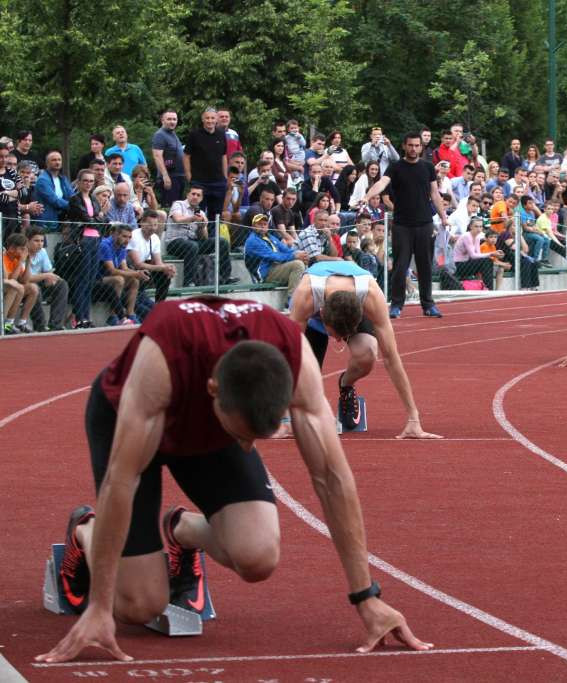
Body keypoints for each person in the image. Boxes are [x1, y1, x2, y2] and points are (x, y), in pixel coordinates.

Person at [36, 298, 431, 664]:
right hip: (134, 418)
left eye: (254, 438)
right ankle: (85, 531)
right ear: (213, 391)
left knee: (258, 557)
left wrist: (366, 597)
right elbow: (120, 484)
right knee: (138, 606)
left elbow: (332, 479)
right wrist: (99, 607)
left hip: (211, 426)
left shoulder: (296, 358)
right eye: (243, 435)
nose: (246, 446)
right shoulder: (164, 352)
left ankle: (181, 531)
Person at [287, 260, 442, 437]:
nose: (338, 342)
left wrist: (414, 419)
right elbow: (290, 357)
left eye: (342, 336)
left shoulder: (372, 296)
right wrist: (285, 419)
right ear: (322, 314)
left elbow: (391, 358)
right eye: (335, 335)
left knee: (367, 352)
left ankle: (346, 384)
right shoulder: (304, 296)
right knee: (307, 372)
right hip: (314, 305)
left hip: (353, 299)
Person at [362, 132, 448, 319]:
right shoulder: (395, 167)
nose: (414, 149)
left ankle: (428, 304)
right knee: (400, 267)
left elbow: (435, 194)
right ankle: (396, 304)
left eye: (417, 145)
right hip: (402, 225)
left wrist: (443, 216)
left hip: (425, 223)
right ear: (404, 146)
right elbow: (381, 183)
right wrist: (367, 196)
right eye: (410, 145)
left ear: (421, 147)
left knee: (425, 266)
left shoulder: (427, 167)